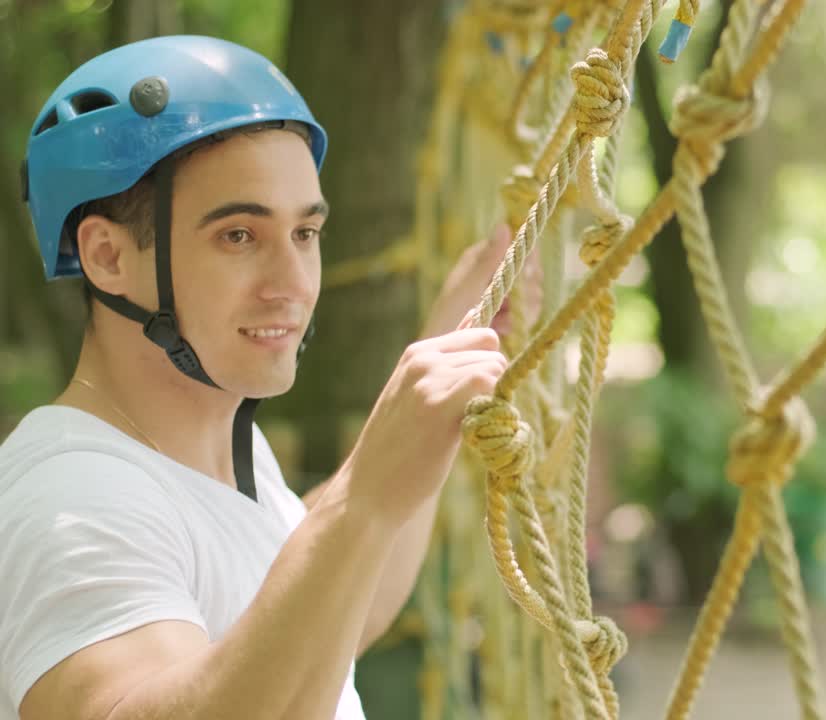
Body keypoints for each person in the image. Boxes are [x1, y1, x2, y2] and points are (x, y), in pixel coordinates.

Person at [1, 35, 520, 720]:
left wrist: (445, 344)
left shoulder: (217, 463)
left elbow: (327, 628)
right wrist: (363, 497)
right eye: (239, 236)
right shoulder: (74, 497)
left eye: (305, 234)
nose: (293, 284)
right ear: (107, 256)